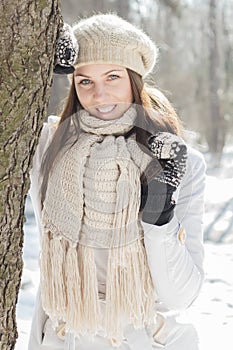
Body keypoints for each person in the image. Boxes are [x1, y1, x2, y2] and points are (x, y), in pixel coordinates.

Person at [28, 13, 206, 350]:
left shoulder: (178, 162)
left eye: (112, 77)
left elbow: (181, 296)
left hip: (145, 340)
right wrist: (34, 49)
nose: (100, 95)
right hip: (65, 339)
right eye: (85, 81)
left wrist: (159, 218)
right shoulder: (50, 148)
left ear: (134, 78)